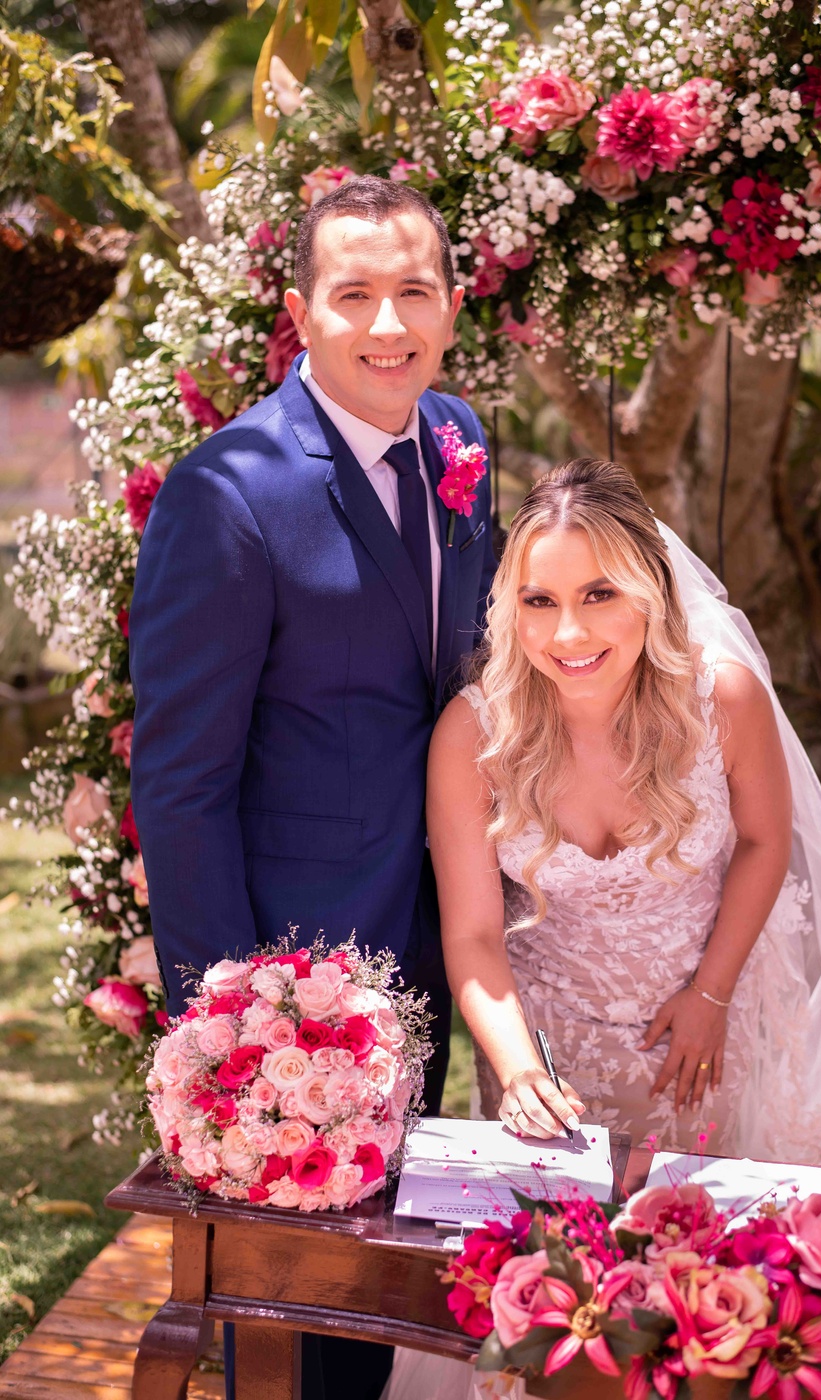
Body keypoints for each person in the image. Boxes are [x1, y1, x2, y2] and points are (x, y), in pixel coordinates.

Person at [382, 455, 821, 1400]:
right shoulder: (472, 736)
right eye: (539, 601)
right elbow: (472, 936)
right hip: (549, 1049)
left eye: (598, 594)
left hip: (709, 1026)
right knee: (562, 1319)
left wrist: (710, 995)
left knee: (716, 1307)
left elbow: (764, 842)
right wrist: (519, 1069)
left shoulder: (723, 701)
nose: (568, 633)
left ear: (650, 591)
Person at [129, 176, 497, 1400]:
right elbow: (180, 784)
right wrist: (229, 1037)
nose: (388, 323)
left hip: (432, 942)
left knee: (390, 1303)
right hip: (296, 993)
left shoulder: (459, 441)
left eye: (414, 290)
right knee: (299, 1331)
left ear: (451, 303)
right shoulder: (228, 491)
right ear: (299, 312)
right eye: (354, 294)